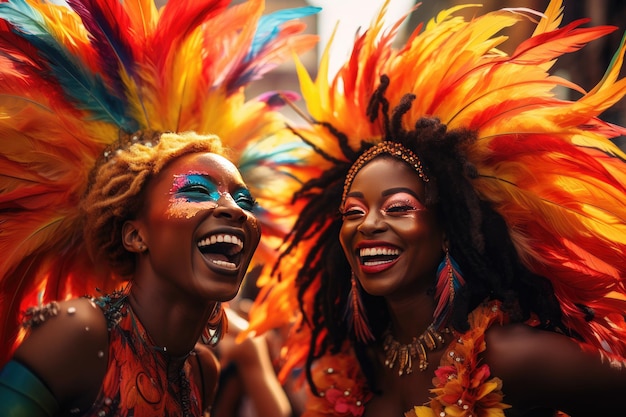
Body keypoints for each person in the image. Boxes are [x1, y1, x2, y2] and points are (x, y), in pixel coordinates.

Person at [246, 0, 626, 416]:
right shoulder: (355, 368)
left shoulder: (509, 357)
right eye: (353, 212)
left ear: (447, 228)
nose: (368, 224)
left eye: (397, 207)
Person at [0, 0, 318, 415]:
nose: (236, 210)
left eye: (244, 200)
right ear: (136, 235)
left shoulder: (202, 367)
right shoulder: (80, 332)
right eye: (197, 191)